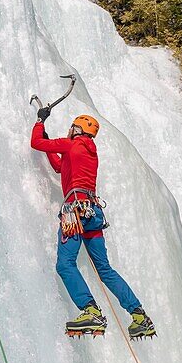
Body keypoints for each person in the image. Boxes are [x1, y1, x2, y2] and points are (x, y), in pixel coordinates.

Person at [31, 107, 155, 339]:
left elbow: (35, 143)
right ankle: (139, 315)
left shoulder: (72, 144)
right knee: (105, 269)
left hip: (75, 212)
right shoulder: (90, 152)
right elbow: (60, 167)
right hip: (93, 213)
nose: (69, 130)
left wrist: (40, 121)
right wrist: (50, 145)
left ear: (77, 129)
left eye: (72, 127)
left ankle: (90, 310)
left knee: (65, 264)